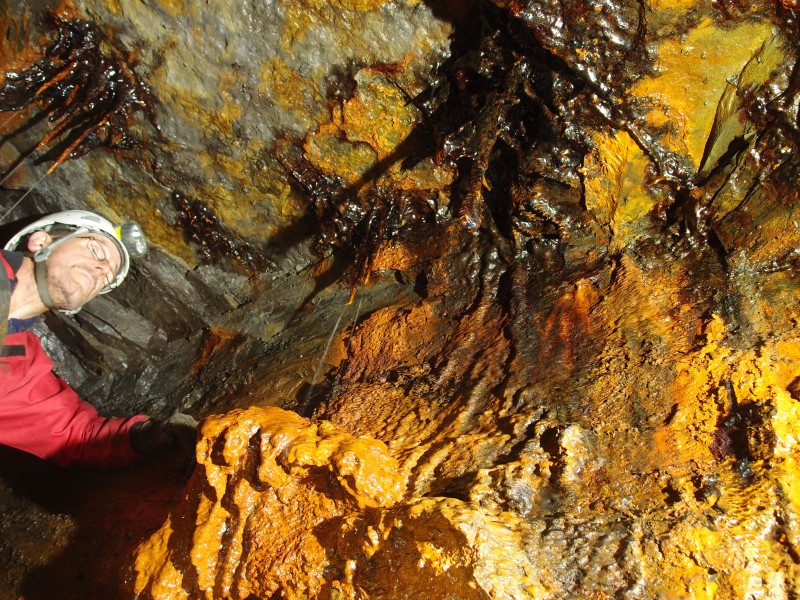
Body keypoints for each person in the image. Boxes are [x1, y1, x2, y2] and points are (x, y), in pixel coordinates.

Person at [1, 209, 196, 468]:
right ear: (40, 241)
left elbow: (75, 435)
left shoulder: (19, 367)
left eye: (107, 278)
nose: (103, 269)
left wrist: (147, 436)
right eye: (96, 250)